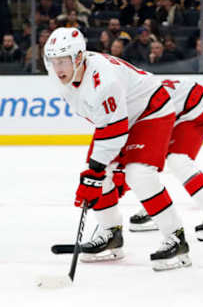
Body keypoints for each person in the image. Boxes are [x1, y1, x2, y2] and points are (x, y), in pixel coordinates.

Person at [43, 27, 190, 271]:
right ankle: (111, 235)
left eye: (63, 61)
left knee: (138, 174)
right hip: (117, 117)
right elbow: (107, 123)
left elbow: (116, 129)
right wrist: (98, 171)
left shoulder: (104, 80)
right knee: (96, 176)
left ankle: (176, 238)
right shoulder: (59, 74)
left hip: (150, 110)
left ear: (78, 57)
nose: (58, 68)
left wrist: (98, 169)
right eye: (53, 61)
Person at [124, 78, 203, 241]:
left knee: (177, 159)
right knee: (144, 158)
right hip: (173, 107)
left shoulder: (132, 106)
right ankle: (153, 208)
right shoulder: (128, 99)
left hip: (194, 107)